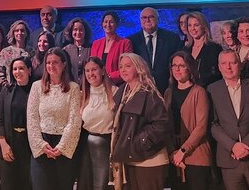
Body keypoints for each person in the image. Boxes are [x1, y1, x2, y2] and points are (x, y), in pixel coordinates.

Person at [111, 52, 170, 190]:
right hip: (130, 157)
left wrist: (140, 142)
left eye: (128, 66)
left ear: (138, 68)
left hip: (149, 159)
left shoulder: (149, 93)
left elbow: (161, 124)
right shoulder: (122, 92)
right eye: (121, 67)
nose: (123, 70)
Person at [208, 49, 249, 190]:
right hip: (229, 160)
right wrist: (233, 146)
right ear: (219, 67)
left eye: (232, 63)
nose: (228, 67)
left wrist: (246, 144)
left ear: (239, 65)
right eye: (224, 63)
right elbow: (213, 124)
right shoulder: (212, 90)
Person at [27, 47, 82, 190]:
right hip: (42, 144)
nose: (51, 66)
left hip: (63, 144)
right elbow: (32, 119)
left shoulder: (73, 88)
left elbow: (74, 121)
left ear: (64, 64)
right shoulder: (36, 86)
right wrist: (41, 145)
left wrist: (61, 147)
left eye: (55, 62)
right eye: (48, 62)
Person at [164, 52, 212, 190]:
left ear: (190, 68)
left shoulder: (199, 92)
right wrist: (172, 152)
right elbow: (165, 125)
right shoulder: (168, 92)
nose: (177, 69)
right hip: (174, 156)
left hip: (196, 155)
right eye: (174, 65)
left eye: (181, 65)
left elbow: (201, 127)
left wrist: (182, 151)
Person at [77, 57, 115, 190]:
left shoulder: (114, 92)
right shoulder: (82, 94)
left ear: (103, 70)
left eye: (94, 69)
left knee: (101, 185)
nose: (90, 74)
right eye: (87, 70)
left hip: (106, 144)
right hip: (85, 144)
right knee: (85, 183)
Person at [0, 57, 34, 188]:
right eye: (15, 69)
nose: (17, 72)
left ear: (29, 70)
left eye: (21, 68)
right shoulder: (7, 90)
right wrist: (3, 144)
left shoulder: (36, 90)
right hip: (8, 144)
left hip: (29, 146)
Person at [128, 7, 183, 93]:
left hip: (167, 88)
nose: (147, 20)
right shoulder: (132, 40)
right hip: (141, 88)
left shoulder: (172, 38)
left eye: (151, 17)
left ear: (158, 19)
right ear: (140, 20)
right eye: (144, 17)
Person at [182, 11, 223, 88]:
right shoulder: (185, 50)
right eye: (190, 25)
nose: (192, 28)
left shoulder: (214, 48)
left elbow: (218, 74)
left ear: (204, 26)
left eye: (196, 25)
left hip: (209, 90)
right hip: (189, 91)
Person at [90, 11, 133, 85]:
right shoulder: (96, 44)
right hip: (98, 85)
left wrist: (108, 77)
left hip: (118, 85)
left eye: (111, 22)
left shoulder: (125, 43)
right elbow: (92, 65)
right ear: (102, 24)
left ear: (117, 24)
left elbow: (127, 67)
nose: (108, 25)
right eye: (105, 22)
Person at [0, 20, 33, 87]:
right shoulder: (5, 52)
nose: (19, 33)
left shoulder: (32, 52)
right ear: (13, 33)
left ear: (27, 33)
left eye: (22, 30)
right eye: (17, 31)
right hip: (9, 88)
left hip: (28, 88)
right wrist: (4, 84)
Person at [62, 17, 92, 83]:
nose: (78, 32)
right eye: (75, 30)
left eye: (81, 30)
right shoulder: (65, 50)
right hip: (70, 86)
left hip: (88, 86)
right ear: (71, 31)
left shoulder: (92, 48)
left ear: (85, 32)